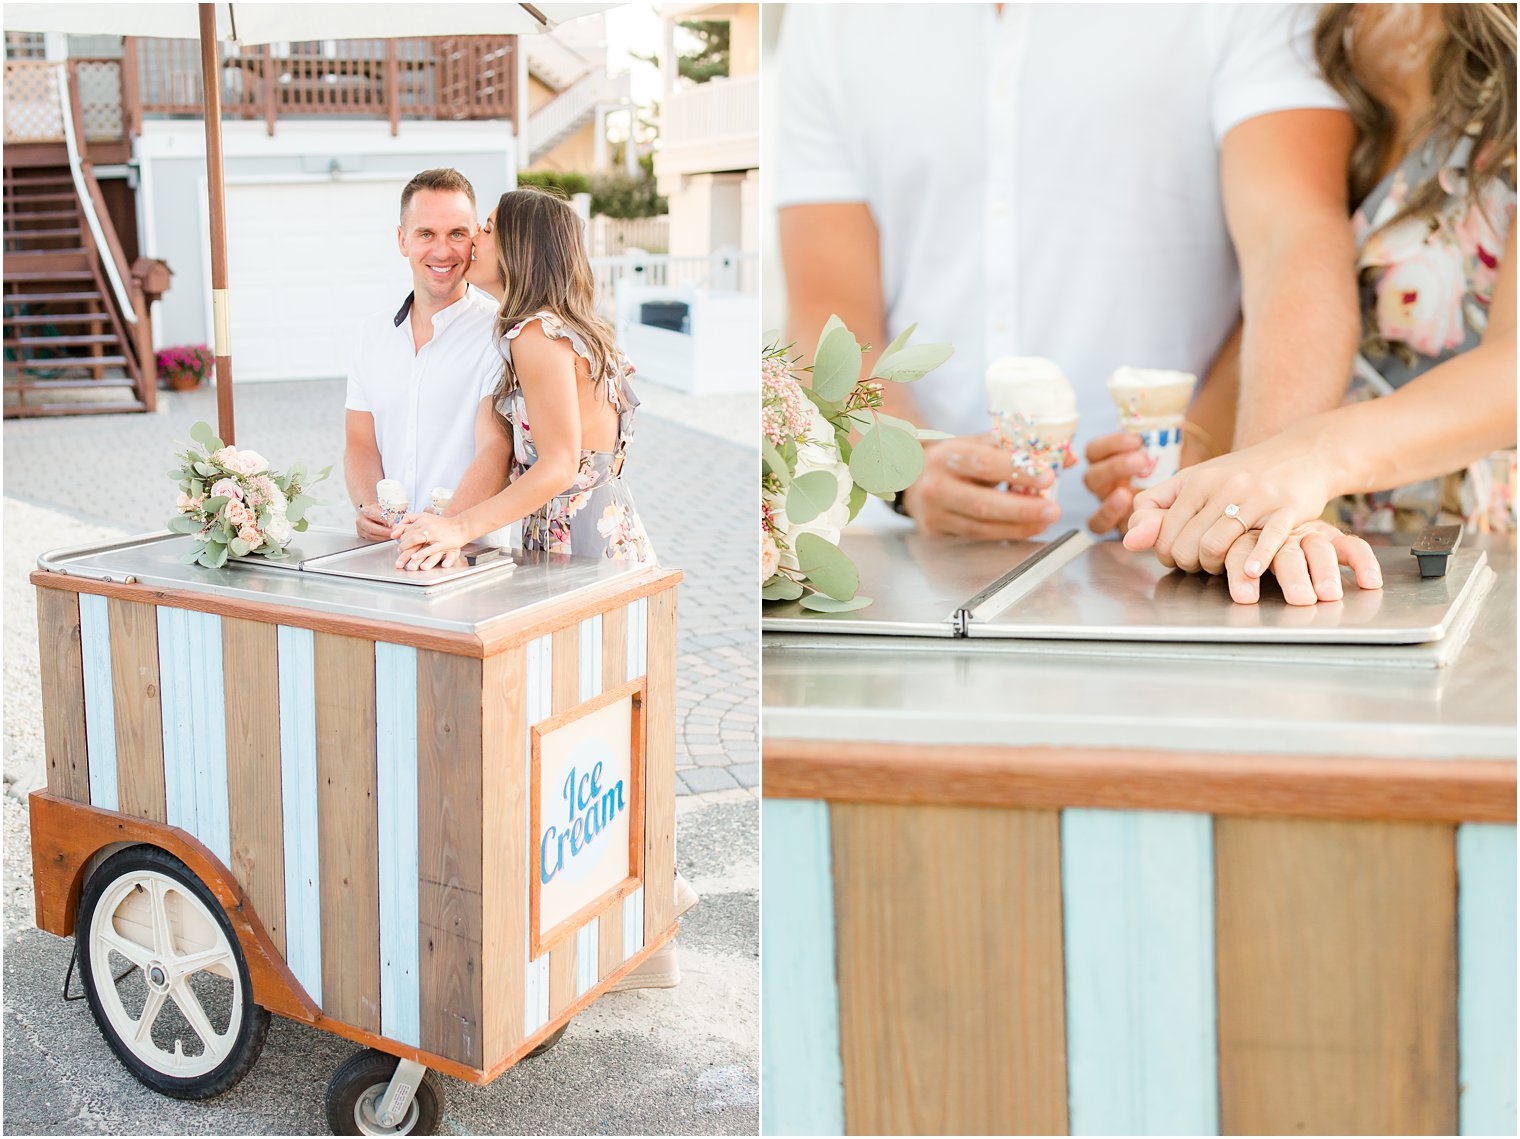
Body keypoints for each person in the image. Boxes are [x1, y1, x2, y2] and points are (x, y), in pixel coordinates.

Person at [777, 4, 1360, 538]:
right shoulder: (830, 16)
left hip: (1187, 544)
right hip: (917, 551)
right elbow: (826, 307)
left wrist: (1241, 482)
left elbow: (1295, 243)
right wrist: (906, 473)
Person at [1123, 2, 1516, 605]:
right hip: (1319, 569)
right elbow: (1289, 278)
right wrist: (1207, 454)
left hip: (1477, 566)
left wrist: (1304, 457)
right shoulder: (1314, 32)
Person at [390, 188, 654, 570]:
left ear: (521, 247)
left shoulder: (535, 336)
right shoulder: (560, 329)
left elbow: (559, 465)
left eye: (490, 229)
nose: (476, 236)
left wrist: (458, 528)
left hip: (580, 552)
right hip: (606, 537)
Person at [344, 168, 507, 542]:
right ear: (402, 240)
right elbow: (359, 444)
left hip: (469, 552)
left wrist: (444, 528)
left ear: (475, 240)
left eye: (457, 234)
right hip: (385, 549)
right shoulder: (371, 334)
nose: (442, 251)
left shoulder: (501, 333)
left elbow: (496, 449)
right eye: (426, 234)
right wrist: (369, 507)